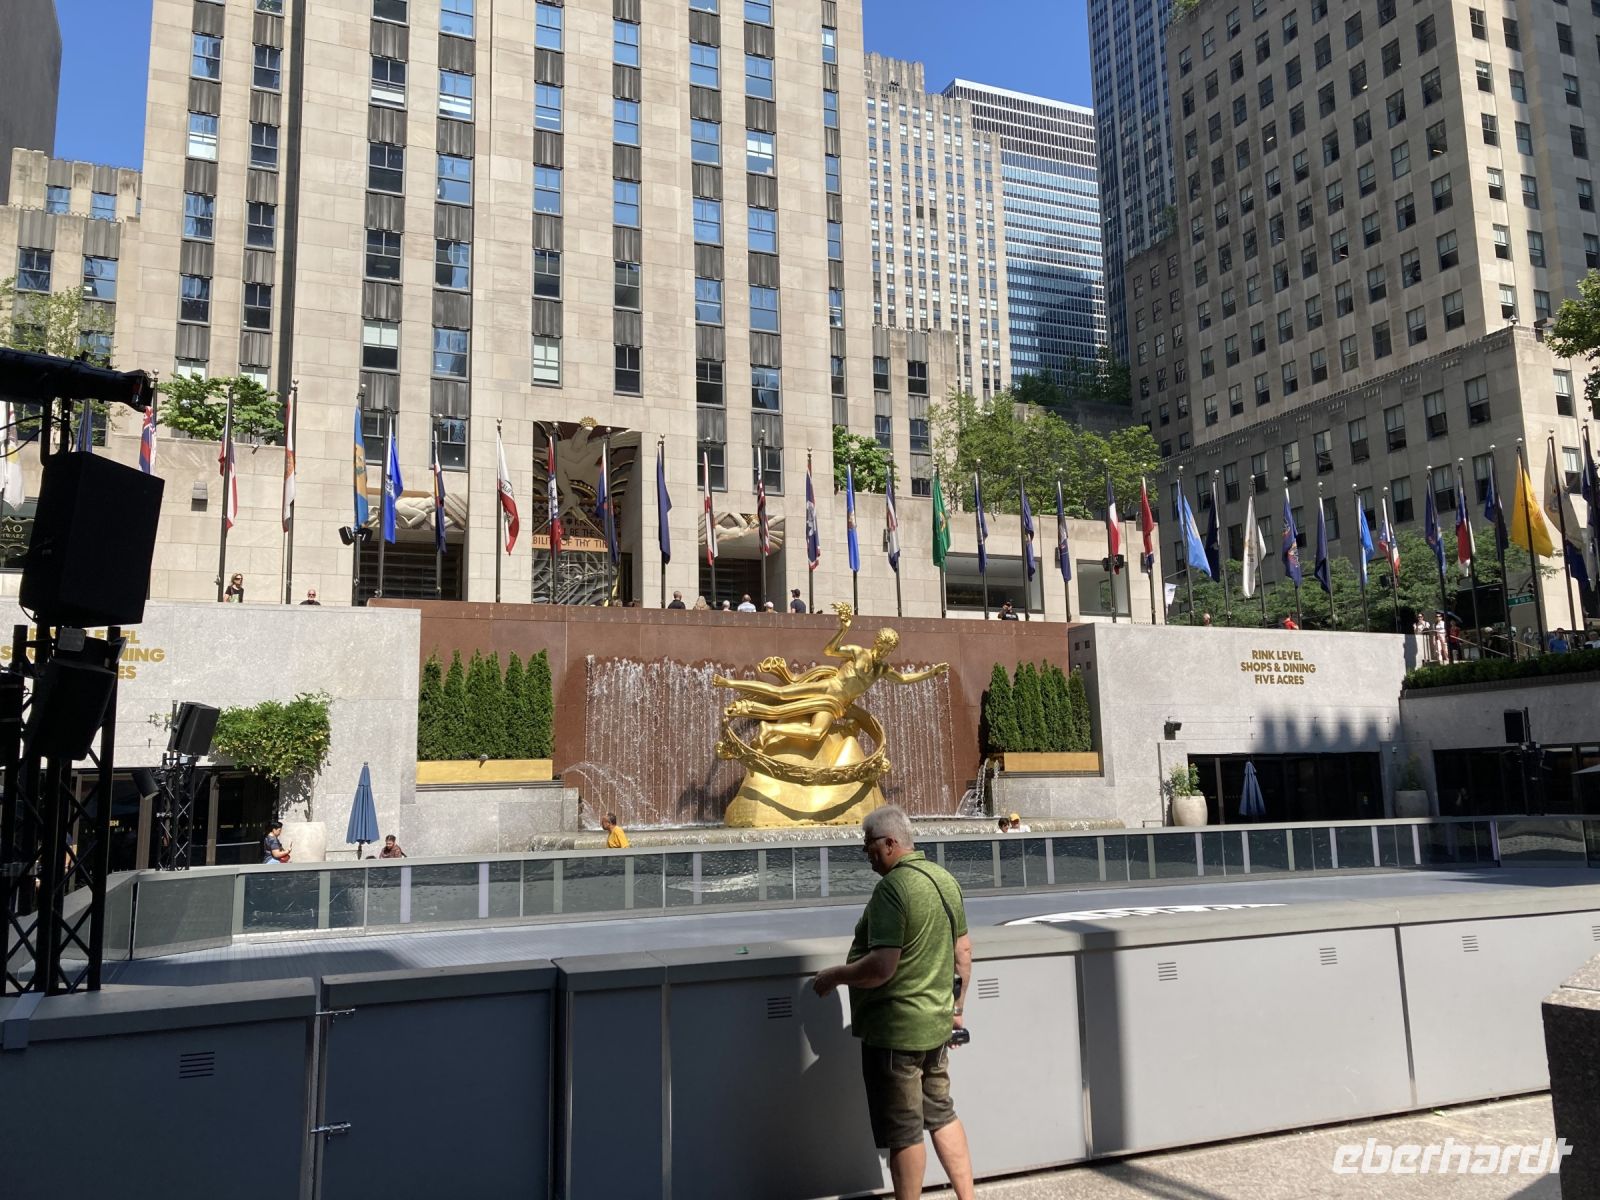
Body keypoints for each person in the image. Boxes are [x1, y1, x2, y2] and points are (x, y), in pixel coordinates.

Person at [812, 806, 975, 1200]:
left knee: (904, 1131)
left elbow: (882, 967)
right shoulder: (943, 879)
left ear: (889, 843)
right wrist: (956, 1010)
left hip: (896, 1032)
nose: (866, 854)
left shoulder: (892, 889)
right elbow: (964, 953)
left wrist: (833, 976)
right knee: (941, 1112)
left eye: (869, 847)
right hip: (936, 1025)